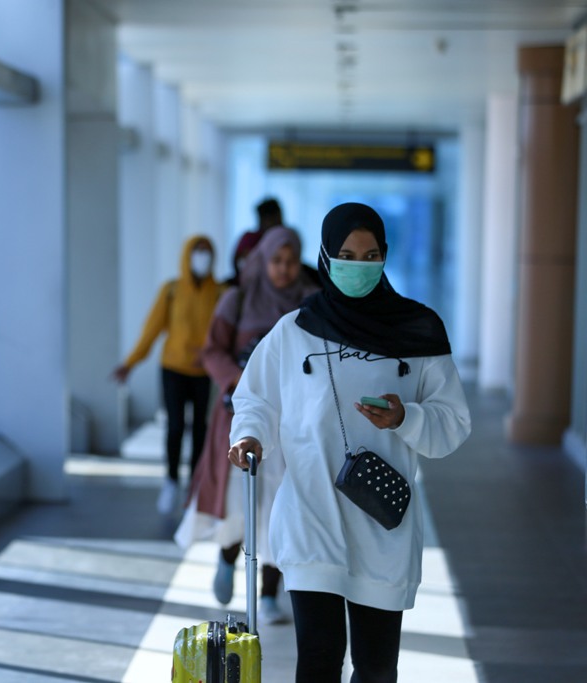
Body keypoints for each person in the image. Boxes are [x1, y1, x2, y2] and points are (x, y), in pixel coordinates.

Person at [227, 202, 471, 682]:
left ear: (385, 256)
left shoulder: (418, 331)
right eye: (346, 253)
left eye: (370, 254)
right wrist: (250, 436)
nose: (357, 265)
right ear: (323, 255)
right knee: (317, 661)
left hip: (383, 524)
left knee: (376, 668)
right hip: (309, 515)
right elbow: (255, 396)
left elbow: (453, 423)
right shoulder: (294, 331)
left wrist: (407, 417)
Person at [175, 227, 317, 624]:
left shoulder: (310, 302)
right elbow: (211, 350)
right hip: (241, 414)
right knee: (239, 497)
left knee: (280, 504)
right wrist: (240, 378)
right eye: (276, 261)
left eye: (290, 261)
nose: (284, 269)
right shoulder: (237, 299)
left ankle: (269, 593)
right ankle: (226, 559)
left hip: (290, 420)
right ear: (262, 261)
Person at [113, 235, 223, 514]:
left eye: (207, 252)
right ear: (187, 255)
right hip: (173, 369)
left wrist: (212, 354)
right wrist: (130, 362)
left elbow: (223, 335)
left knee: (200, 428)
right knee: (175, 427)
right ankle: (171, 481)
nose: (202, 258)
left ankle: (194, 486)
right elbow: (151, 330)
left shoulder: (220, 293)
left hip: (204, 372)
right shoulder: (172, 290)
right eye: (198, 252)